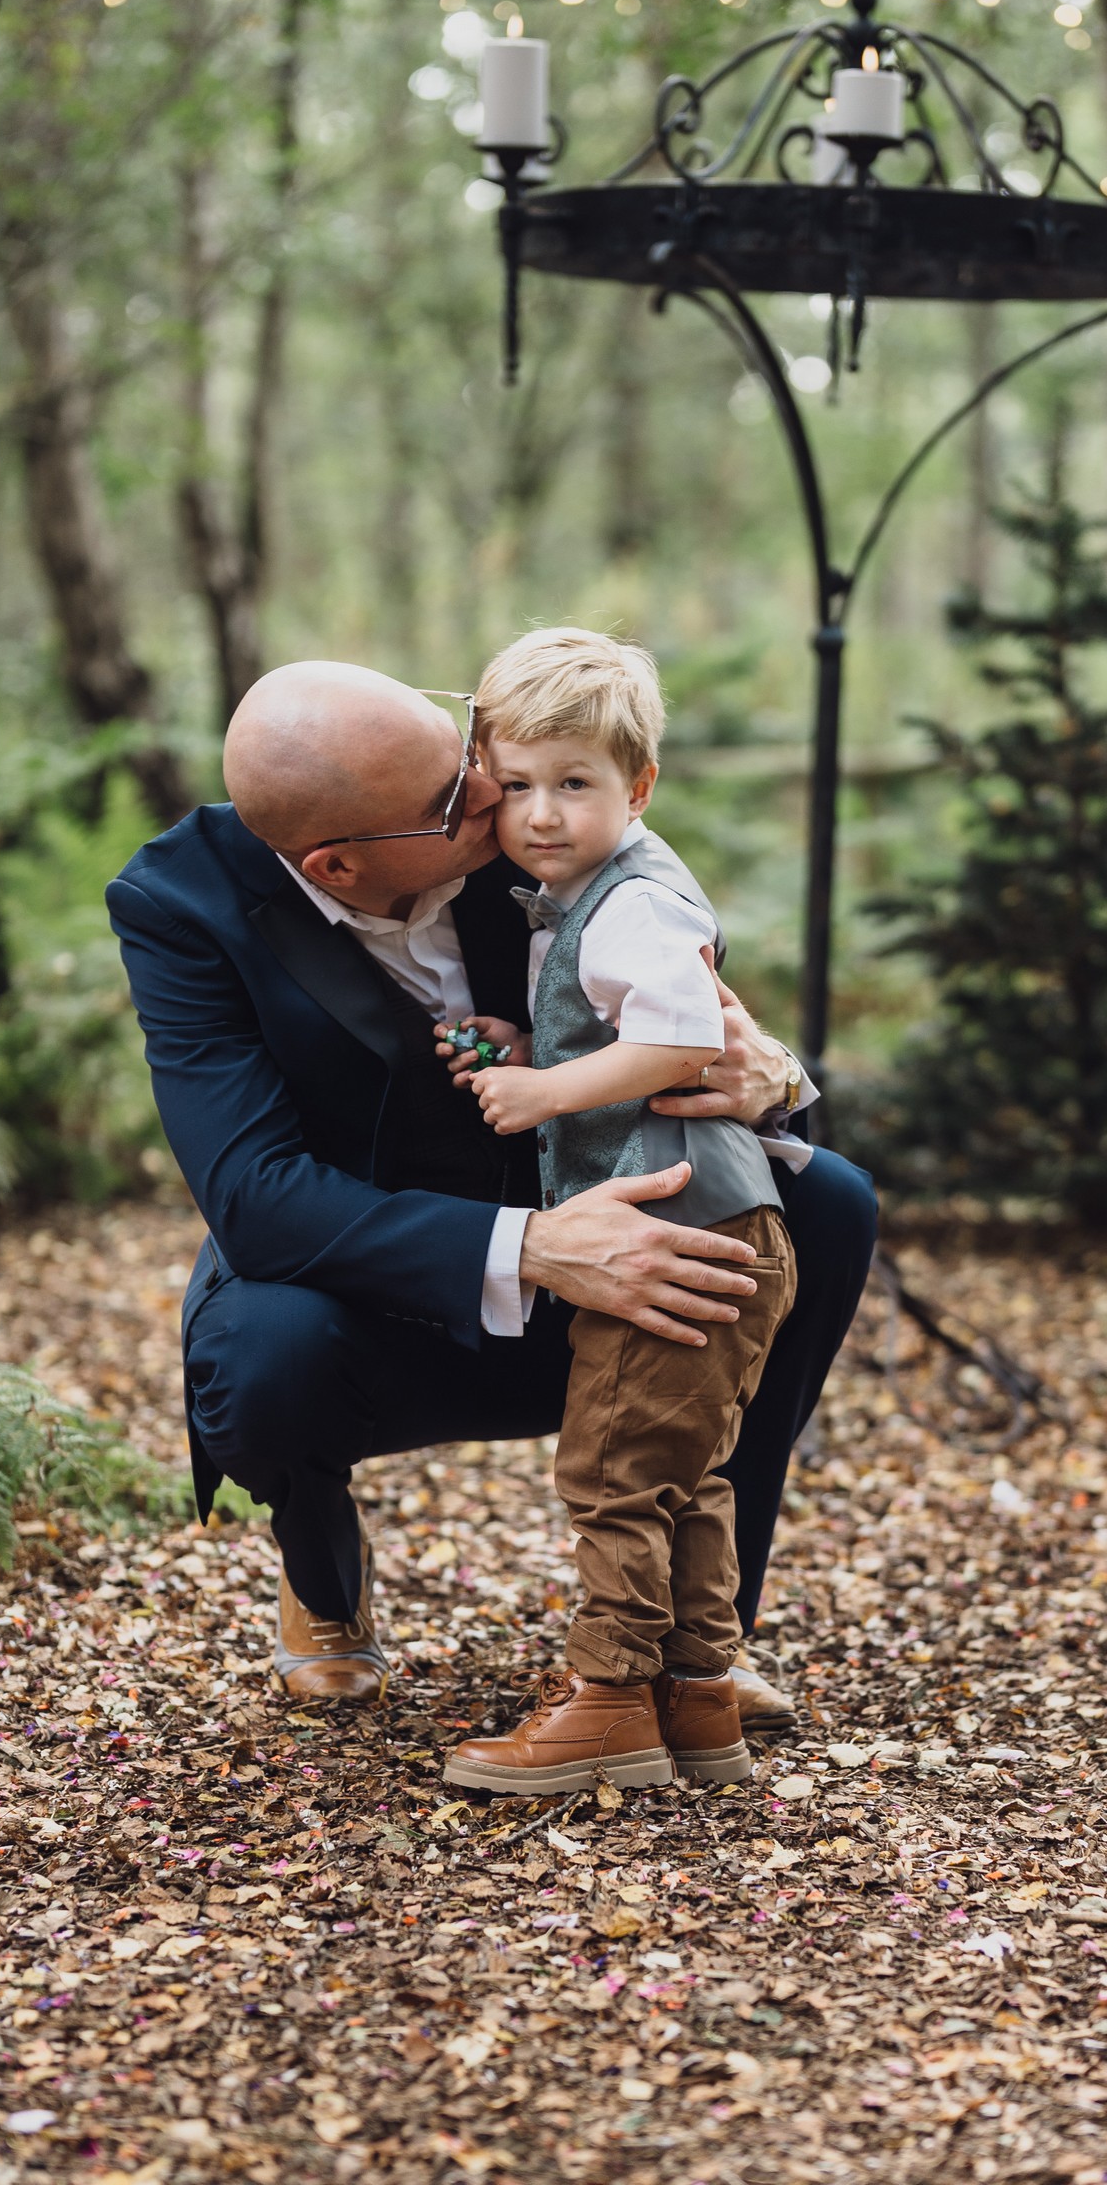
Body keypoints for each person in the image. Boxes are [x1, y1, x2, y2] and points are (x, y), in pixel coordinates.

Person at [105, 661, 876, 1727]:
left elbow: (680, 1010)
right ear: (335, 865)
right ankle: (321, 1571)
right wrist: (534, 1248)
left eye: (466, 750)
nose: (493, 793)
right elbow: (255, 1193)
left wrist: (776, 1075)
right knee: (257, 1363)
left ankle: (693, 1646)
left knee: (822, 1207)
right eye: (454, 796)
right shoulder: (180, 907)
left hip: (593, 1200)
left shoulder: (531, 816)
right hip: (372, 1275)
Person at [437, 630, 796, 1797]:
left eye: (575, 785)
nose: (541, 814)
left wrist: (543, 1091)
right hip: (716, 1221)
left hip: (679, 1223)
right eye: (519, 786)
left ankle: (607, 1702)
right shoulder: (584, 894)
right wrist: (536, 1045)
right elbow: (625, 1032)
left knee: (610, 1473)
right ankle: (695, 1701)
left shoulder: (633, 898)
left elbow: (685, 1038)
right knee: (681, 1476)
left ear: (635, 787)